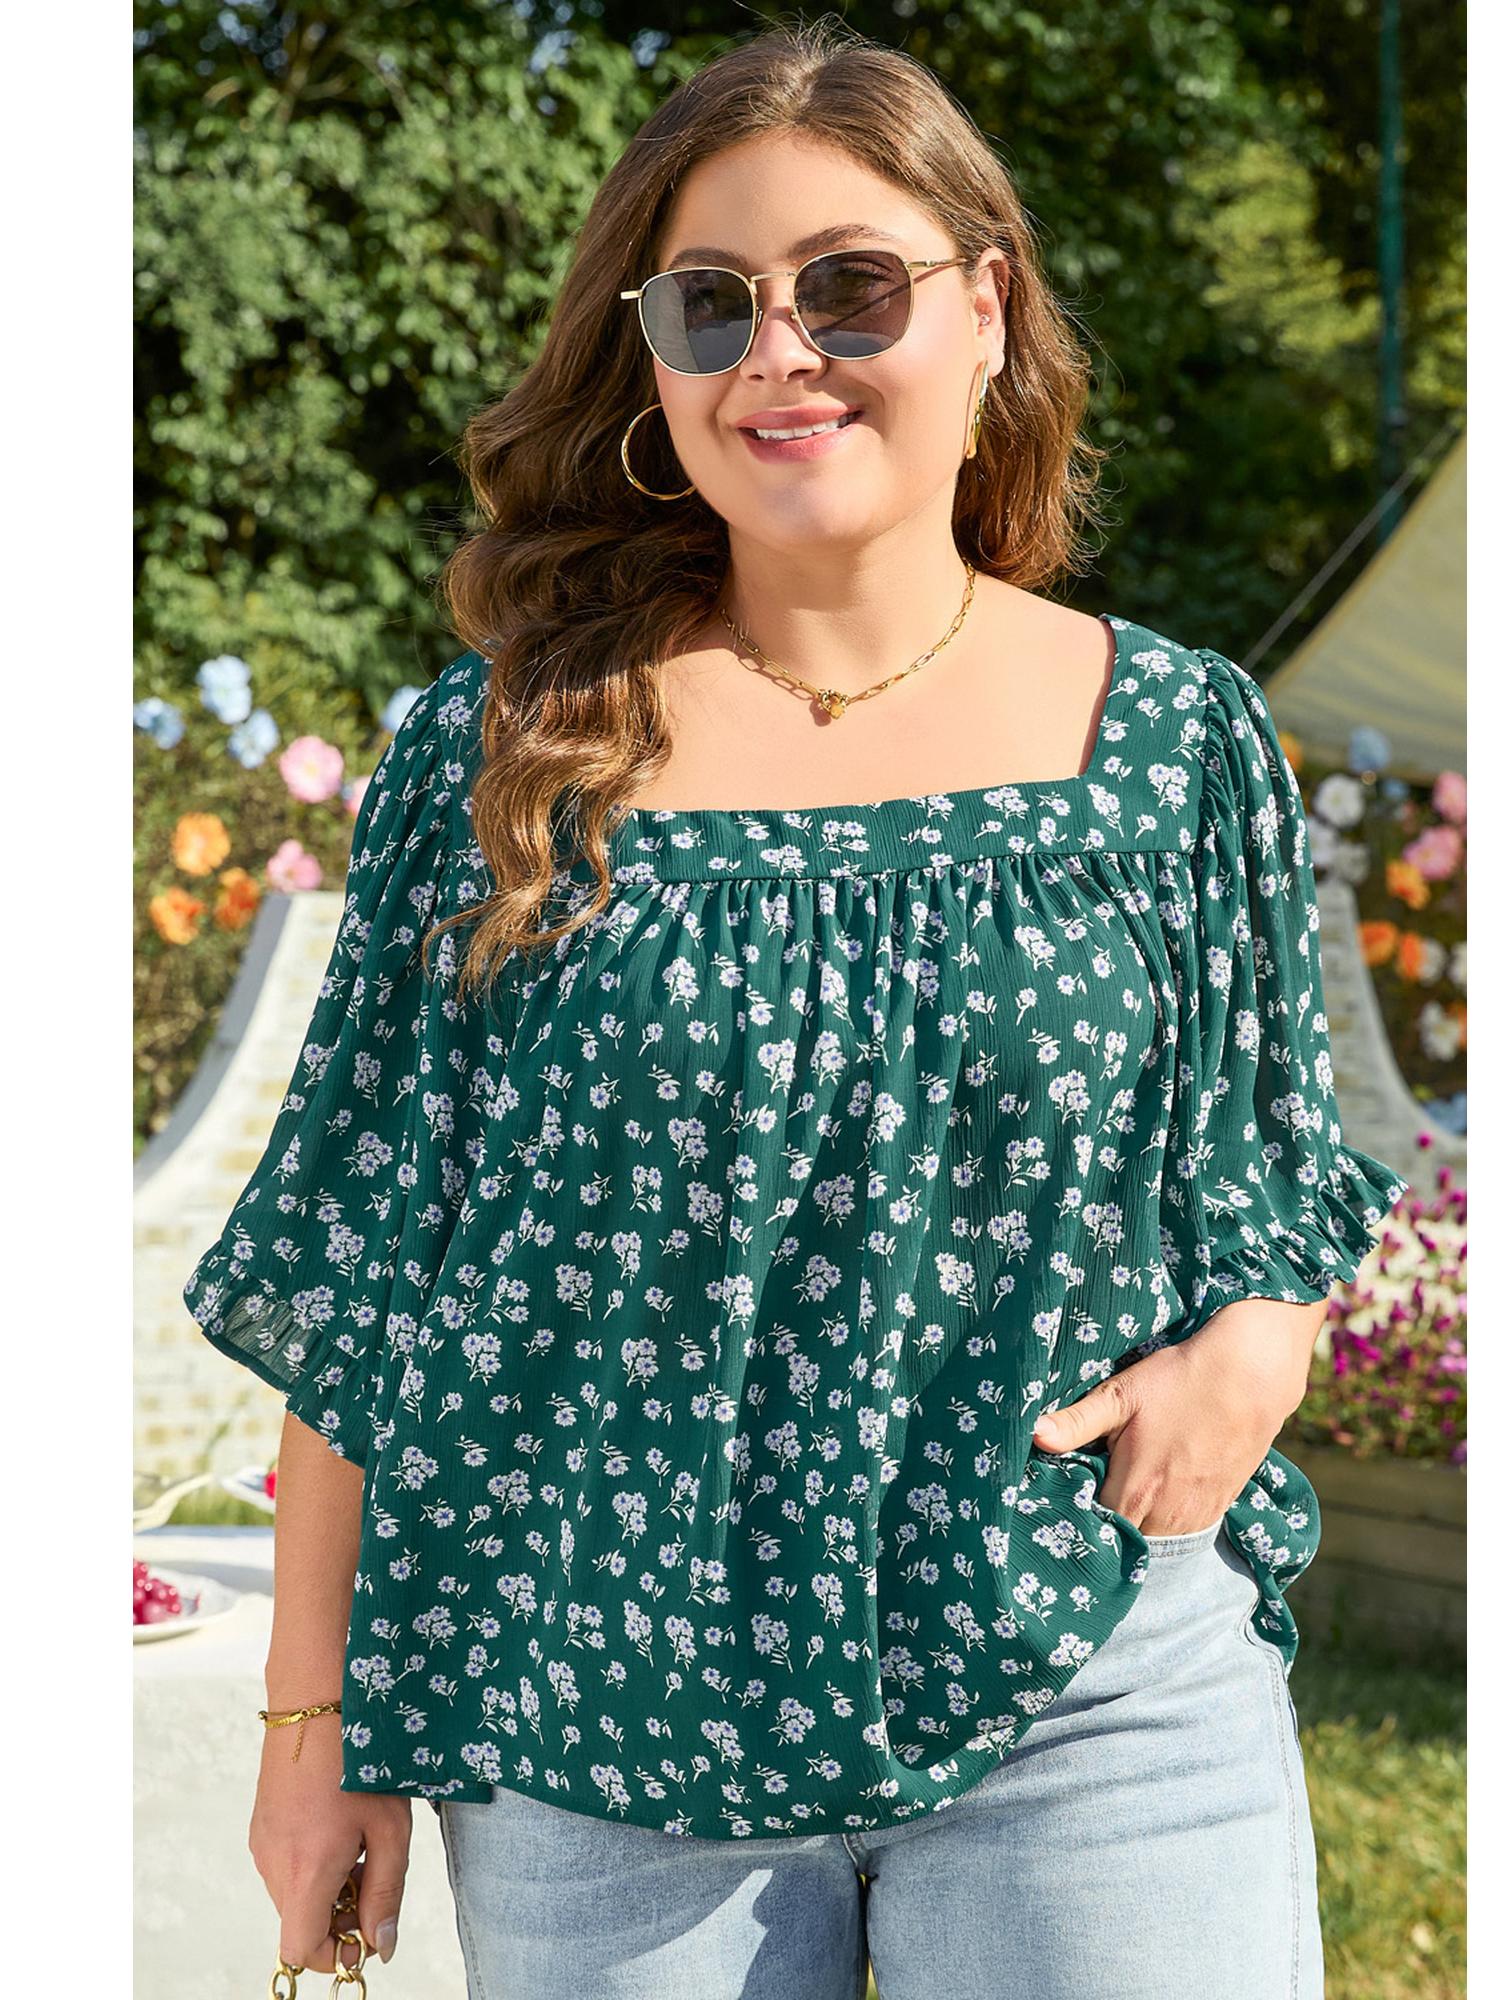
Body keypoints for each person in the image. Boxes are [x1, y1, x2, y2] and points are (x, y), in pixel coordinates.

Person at [183, 21, 1410, 1999]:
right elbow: (370, 1267)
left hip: (1089, 1679)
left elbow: (1272, 1170)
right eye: (710, 303)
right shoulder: (498, 756)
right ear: (651, 360)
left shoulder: (1173, 740)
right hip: (596, 1722)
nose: (780, 352)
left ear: (985, 308)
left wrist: (1256, 1354)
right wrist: (311, 1728)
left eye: (849, 287)